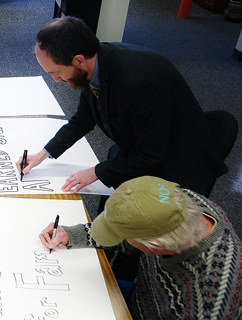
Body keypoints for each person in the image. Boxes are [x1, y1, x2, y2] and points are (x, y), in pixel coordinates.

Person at [24, 176, 242, 320]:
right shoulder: (177, 204)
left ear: (157, 245)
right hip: (144, 309)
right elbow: (130, 230)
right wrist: (72, 234)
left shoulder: (210, 300)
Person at [18, 16, 227, 196]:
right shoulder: (95, 64)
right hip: (141, 146)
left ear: (78, 60)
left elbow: (151, 154)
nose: (56, 80)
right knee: (112, 204)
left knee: (135, 229)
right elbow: (83, 118)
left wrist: (96, 172)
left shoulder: (137, 83)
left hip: (175, 166)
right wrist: (43, 154)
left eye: (55, 73)